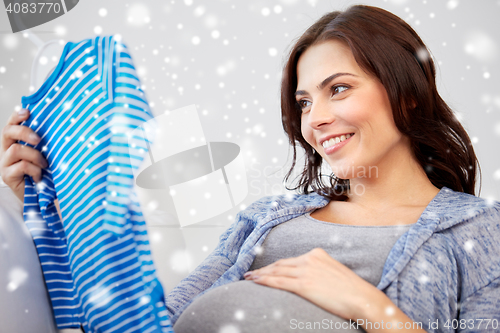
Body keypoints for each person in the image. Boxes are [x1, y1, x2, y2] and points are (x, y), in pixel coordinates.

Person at [1, 5, 499, 333]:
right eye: (304, 102)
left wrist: (371, 307)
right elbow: (155, 321)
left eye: (339, 89)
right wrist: (46, 211)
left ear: (408, 95)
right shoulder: (266, 217)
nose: (316, 118)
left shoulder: (482, 230)